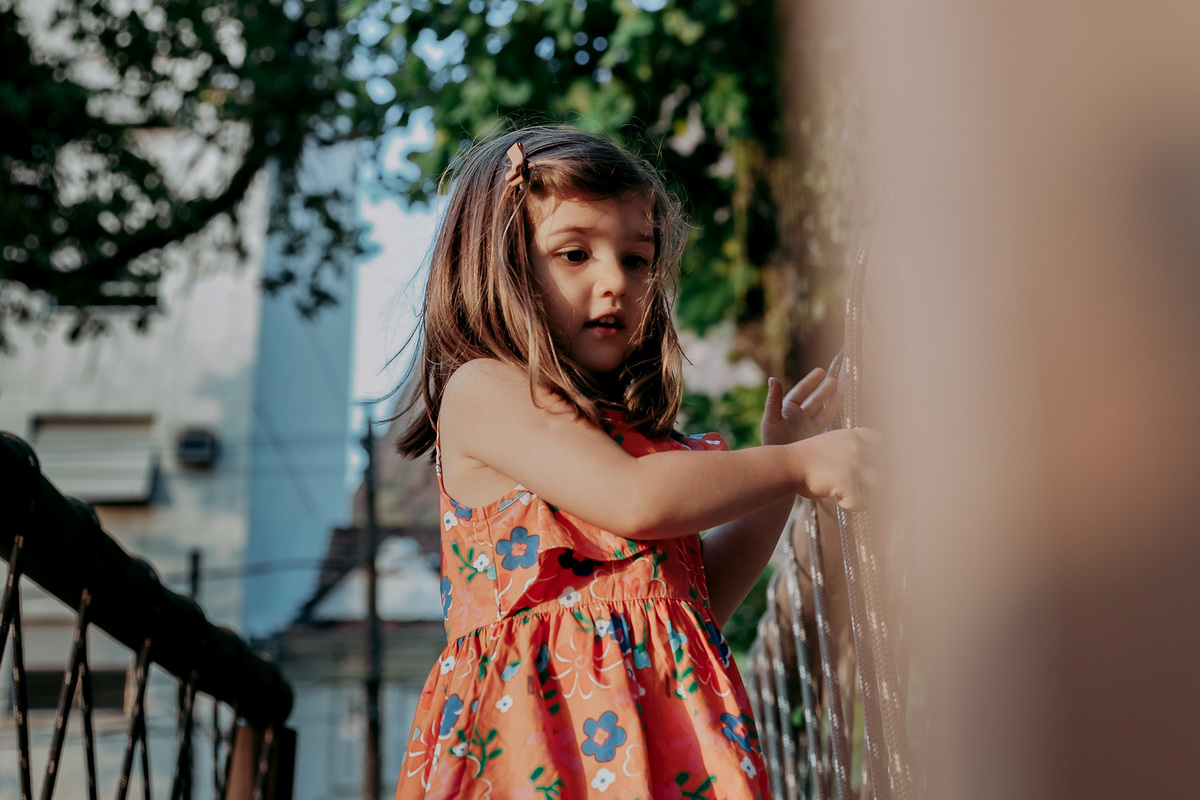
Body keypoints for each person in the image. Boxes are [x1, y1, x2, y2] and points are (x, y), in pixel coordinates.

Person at [392, 126, 880, 799]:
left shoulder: (625, 436)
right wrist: (797, 465)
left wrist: (775, 469)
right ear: (501, 260)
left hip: (659, 751)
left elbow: (699, 599)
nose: (614, 281)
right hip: (540, 757)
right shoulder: (486, 390)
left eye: (637, 259)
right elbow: (634, 499)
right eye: (574, 254)